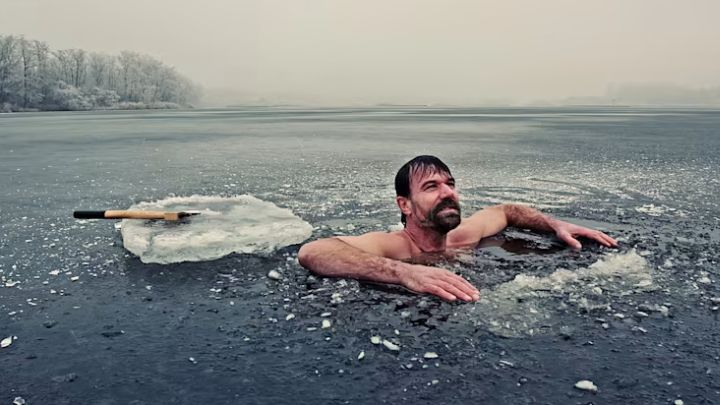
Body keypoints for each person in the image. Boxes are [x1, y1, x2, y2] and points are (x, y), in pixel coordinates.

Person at [298, 155, 618, 303]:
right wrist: (402, 272)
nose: (448, 192)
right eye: (431, 186)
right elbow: (314, 251)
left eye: (450, 184)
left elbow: (507, 211)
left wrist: (555, 225)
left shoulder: (464, 235)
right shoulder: (394, 247)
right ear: (405, 205)